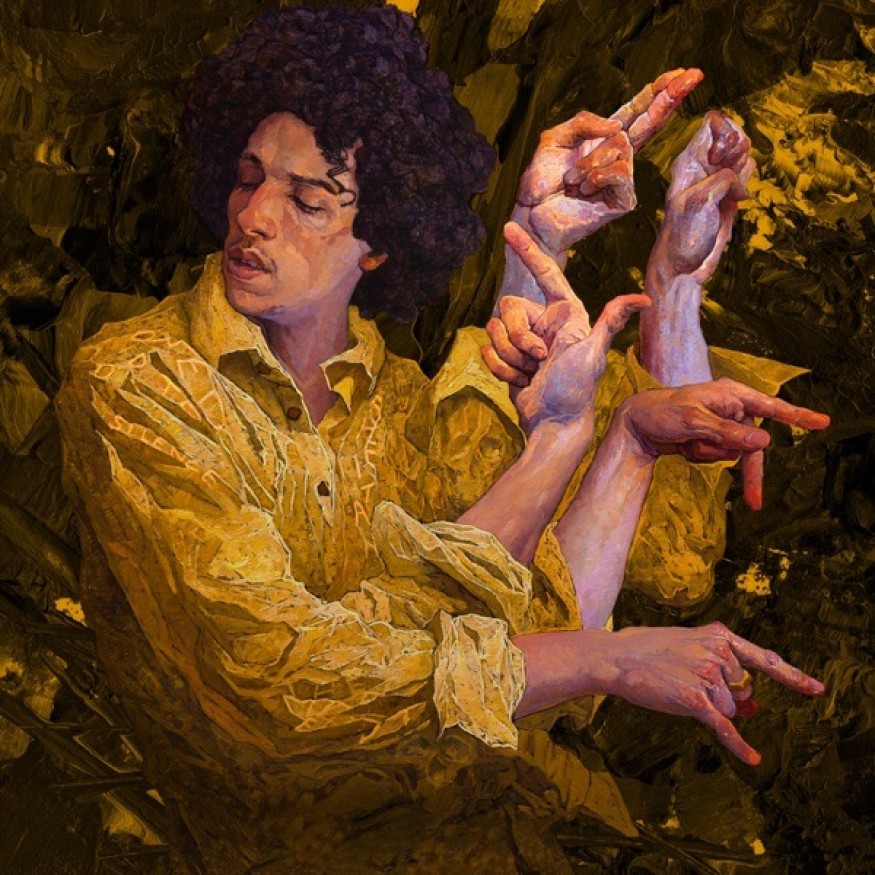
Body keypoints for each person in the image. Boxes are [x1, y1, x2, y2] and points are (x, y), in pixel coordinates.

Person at [53, 6, 829, 873]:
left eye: (308, 199)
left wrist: (634, 394)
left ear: (379, 241)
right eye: (247, 177)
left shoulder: (395, 399)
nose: (255, 216)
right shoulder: (141, 382)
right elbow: (284, 680)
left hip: (507, 830)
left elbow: (537, 625)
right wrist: (602, 658)